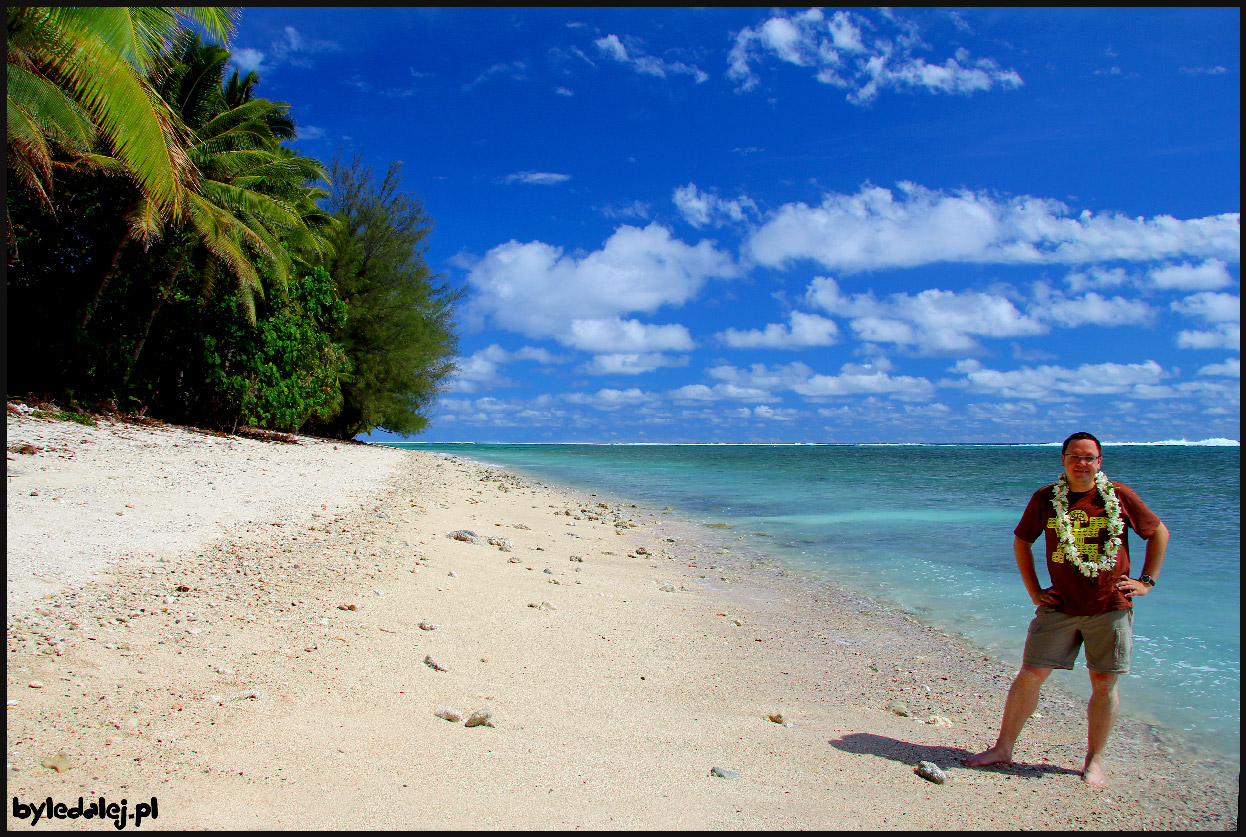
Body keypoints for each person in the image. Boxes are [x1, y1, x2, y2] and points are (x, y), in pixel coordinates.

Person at [965, 431, 1169, 788]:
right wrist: (1033, 591)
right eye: (1075, 456)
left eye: (1089, 457)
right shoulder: (1046, 498)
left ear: (1099, 462)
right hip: (1059, 606)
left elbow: (1158, 532)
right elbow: (1022, 542)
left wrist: (1146, 582)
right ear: (1063, 460)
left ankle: (1093, 762)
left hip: (1110, 606)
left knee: (1104, 683)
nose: (1082, 463)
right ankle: (1003, 748)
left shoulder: (1118, 496)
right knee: (1030, 674)